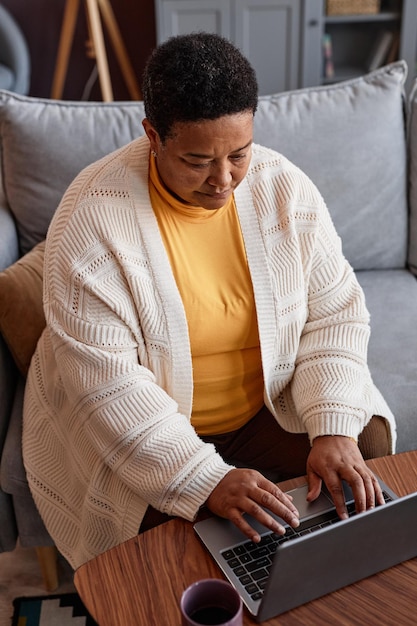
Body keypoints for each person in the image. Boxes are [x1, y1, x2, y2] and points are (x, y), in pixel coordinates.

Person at [23, 33, 395, 570]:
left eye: (239, 154)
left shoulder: (282, 187)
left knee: (352, 480)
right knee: (169, 563)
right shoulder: (91, 224)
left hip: (266, 404)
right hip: (143, 426)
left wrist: (333, 427)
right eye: (197, 161)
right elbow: (106, 388)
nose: (223, 180)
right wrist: (204, 479)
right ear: (152, 135)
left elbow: (335, 312)